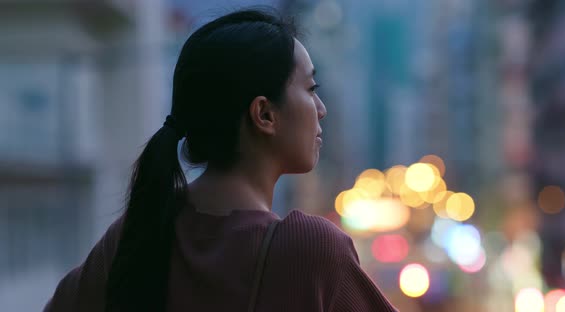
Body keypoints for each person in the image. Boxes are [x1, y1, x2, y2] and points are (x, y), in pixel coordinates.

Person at [44, 8, 398, 312]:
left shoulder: (136, 233)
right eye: (310, 90)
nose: (321, 110)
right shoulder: (312, 250)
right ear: (264, 114)